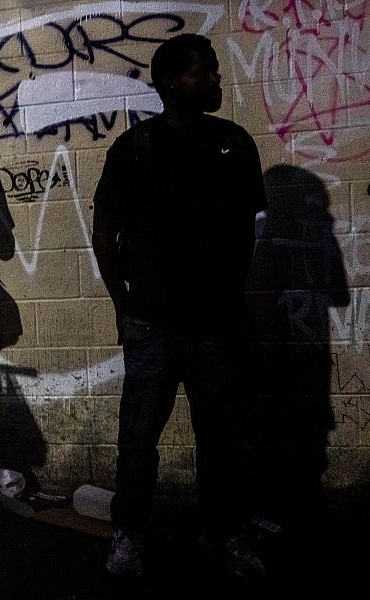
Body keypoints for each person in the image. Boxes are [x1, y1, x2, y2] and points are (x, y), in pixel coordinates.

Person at [91, 34, 267, 577]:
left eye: (215, 69)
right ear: (173, 83)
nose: (217, 78)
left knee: (220, 438)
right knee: (139, 437)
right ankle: (129, 535)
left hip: (215, 323)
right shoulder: (136, 148)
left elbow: (250, 228)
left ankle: (222, 533)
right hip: (152, 324)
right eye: (205, 71)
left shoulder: (234, 144)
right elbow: (104, 233)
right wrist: (124, 305)